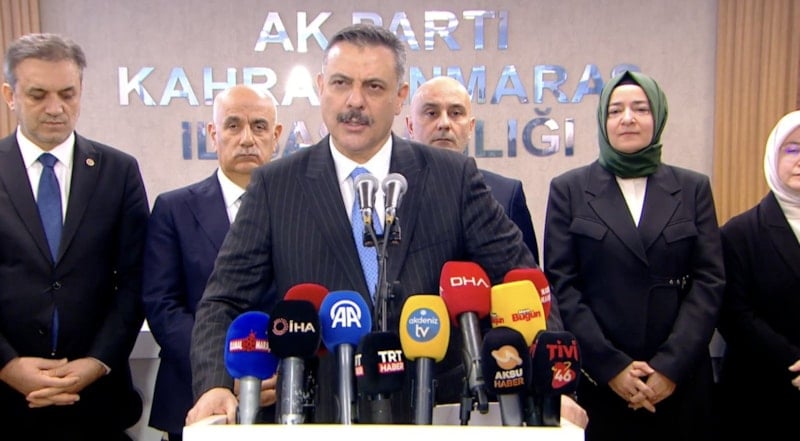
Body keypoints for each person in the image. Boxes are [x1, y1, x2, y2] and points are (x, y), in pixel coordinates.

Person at [186, 23, 561, 426]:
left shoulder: (453, 178)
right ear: (320, 87)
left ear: (400, 97)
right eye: (341, 83)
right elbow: (223, 301)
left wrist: (555, 388)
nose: (355, 101)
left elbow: (525, 286)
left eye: (374, 87)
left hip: (436, 415)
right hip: (321, 416)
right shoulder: (275, 186)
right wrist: (214, 385)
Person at [543, 70, 725, 440]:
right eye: (615, 110)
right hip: (600, 384)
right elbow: (562, 285)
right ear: (603, 120)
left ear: (658, 117)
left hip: (680, 383)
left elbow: (709, 282)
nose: (627, 118)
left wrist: (670, 367)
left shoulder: (692, 188)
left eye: (640, 109)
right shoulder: (569, 190)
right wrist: (612, 367)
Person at [0, 33, 149, 439]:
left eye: (67, 94)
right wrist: (8, 365)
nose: (55, 108)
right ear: (10, 95)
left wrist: (97, 362)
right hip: (7, 398)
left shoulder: (118, 172)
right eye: (38, 95)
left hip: (97, 402)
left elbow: (136, 280)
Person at [142, 84, 282, 440]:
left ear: (277, 135)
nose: (247, 139)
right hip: (196, 398)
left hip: (283, 397)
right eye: (233, 125)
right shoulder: (174, 209)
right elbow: (163, 307)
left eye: (259, 126)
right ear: (213, 134)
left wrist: (275, 370)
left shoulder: (300, 213)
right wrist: (222, 372)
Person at [714, 110, 800, 438]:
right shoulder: (739, 233)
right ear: (772, 156)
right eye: (791, 149)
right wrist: (792, 360)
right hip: (760, 392)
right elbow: (734, 315)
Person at [405, 76, 540, 263]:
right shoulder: (392, 193)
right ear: (410, 126)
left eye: (455, 113)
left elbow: (526, 274)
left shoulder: (507, 193)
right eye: (431, 113)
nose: (444, 123)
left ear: (471, 127)